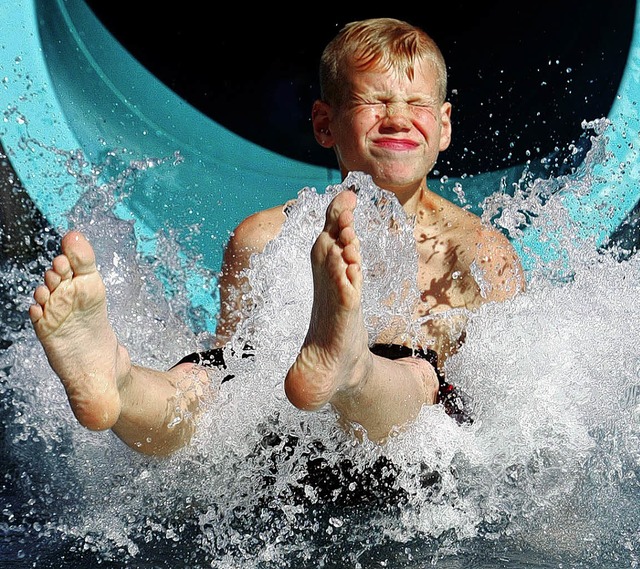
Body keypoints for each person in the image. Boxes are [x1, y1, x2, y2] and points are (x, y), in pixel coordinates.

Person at [28, 18, 524, 457]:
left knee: (423, 377)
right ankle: (119, 383)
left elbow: (506, 416)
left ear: (443, 126)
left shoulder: (477, 255)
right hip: (284, 443)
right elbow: (230, 393)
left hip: (405, 456)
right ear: (325, 124)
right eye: (373, 101)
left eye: (416, 103)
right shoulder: (267, 237)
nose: (397, 116)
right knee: (212, 382)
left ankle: (353, 367)